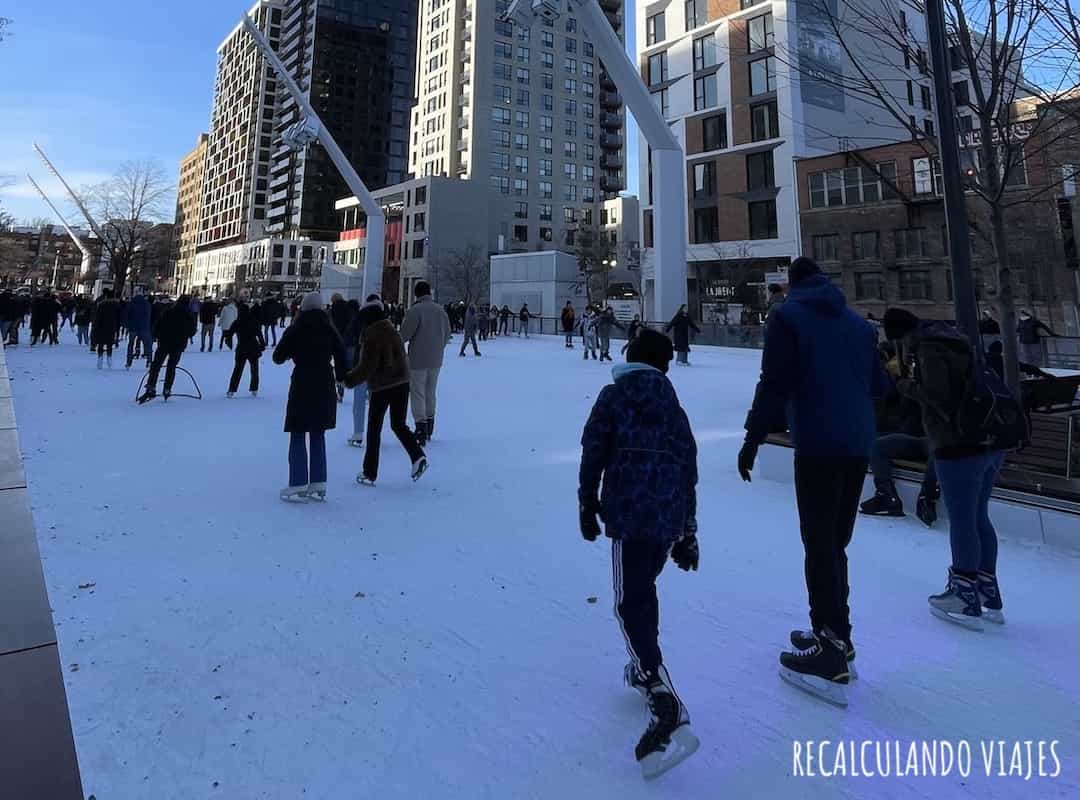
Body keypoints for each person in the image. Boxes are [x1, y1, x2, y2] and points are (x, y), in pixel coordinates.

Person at [738, 257, 886, 707]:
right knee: (835, 542)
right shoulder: (859, 326)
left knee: (819, 544)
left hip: (819, 442)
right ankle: (837, 634)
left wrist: (753, 436)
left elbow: (775, 381)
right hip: (858, 443)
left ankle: (829, 651)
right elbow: (881, 387)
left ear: (792, 284)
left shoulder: (787, 316)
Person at [578, 328, 700, 778]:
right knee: (644, 590)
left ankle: (661, 692)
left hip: (629, 513)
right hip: (667, 516)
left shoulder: (614, 396)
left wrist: (586, 502)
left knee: (628, 602)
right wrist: (688, 531)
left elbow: (593, 451)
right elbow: (689, 466)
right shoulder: (673, 405)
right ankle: (644, 666)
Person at [884, 308, 1013, 630]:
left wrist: (904, 385)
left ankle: (964, 591)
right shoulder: (956, 341)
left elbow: (938, 395)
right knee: (979, 514)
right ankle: (987, 590)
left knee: (962, 518)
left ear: (900, 335)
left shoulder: (927, 349)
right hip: (989, 441)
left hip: (958, 443)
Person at [273, 292, 347, 502]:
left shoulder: (296, 328)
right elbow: (341, 354)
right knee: (317, 431)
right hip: (324, 380)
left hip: (302, 380)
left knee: (298, 430)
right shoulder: (329, 328)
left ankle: (297, 481)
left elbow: (278, 356)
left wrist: (291, 352)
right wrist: (341, 377)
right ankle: (319, 480)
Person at [345, 306, 428, 486]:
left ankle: (370, 472)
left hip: (382, 386)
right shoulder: (392, 330)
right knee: (399, 424)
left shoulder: (371, 335)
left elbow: (368, 366)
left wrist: (349, 380)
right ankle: (417, 456)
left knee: (374, 429)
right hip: (402, 382)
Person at [399, 281, 451, 446]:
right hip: (436, 359)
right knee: (430, 391)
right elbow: (447, 334)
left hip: (418, 359)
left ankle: (420, 426)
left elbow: (404, 335)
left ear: (416, 294)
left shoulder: (415, 311)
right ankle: (430, 424)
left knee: (417, 393)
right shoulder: (440, 310)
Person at [139, 296, 196, 402]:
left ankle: (151, 386)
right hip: (178, 344)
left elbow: (157, 325)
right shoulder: (189, 315)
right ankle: (167, 388)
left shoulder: (168, 311)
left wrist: (157, 335)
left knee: (156, 365)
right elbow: (192, 331)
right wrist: (184, 335)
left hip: (164, 342)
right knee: (171, 366)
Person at [347, 295, 386, 448]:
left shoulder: (359, 319)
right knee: (376, 402)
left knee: (359, 400)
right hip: (380, 367)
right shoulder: (385, 322)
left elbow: (349, 337)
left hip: (361, 364)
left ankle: (358, 432)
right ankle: (374, 432)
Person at [226, 300, 265, 398]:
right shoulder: (254, 321)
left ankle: (232, 390)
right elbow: (259, 334)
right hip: (253, 348)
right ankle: (254, 389)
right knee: (254, 369)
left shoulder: (237, 322)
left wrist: (228, 341)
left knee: (238, 369)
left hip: (241, 348)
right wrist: (262, 345)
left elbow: (229, 334)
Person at [92, 290, 122, 368]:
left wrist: (95, 327)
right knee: (109, 344)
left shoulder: (101, 305)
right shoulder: (116, 306)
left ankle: (100, 359)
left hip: (101, 327)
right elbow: (119, 318)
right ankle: (109, 359)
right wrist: (118, 329)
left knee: (101, 344)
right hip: (111, 327)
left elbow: (97, 318)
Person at [125, 291, 153, 370]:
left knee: (131, 344)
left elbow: (127, 315)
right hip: (144, 327)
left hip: (133, 327)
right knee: (148, 345)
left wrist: (127, 326)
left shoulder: (131, 303)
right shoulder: (147, 304)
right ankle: (149, 361)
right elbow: (149, 315)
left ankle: (128, 362)